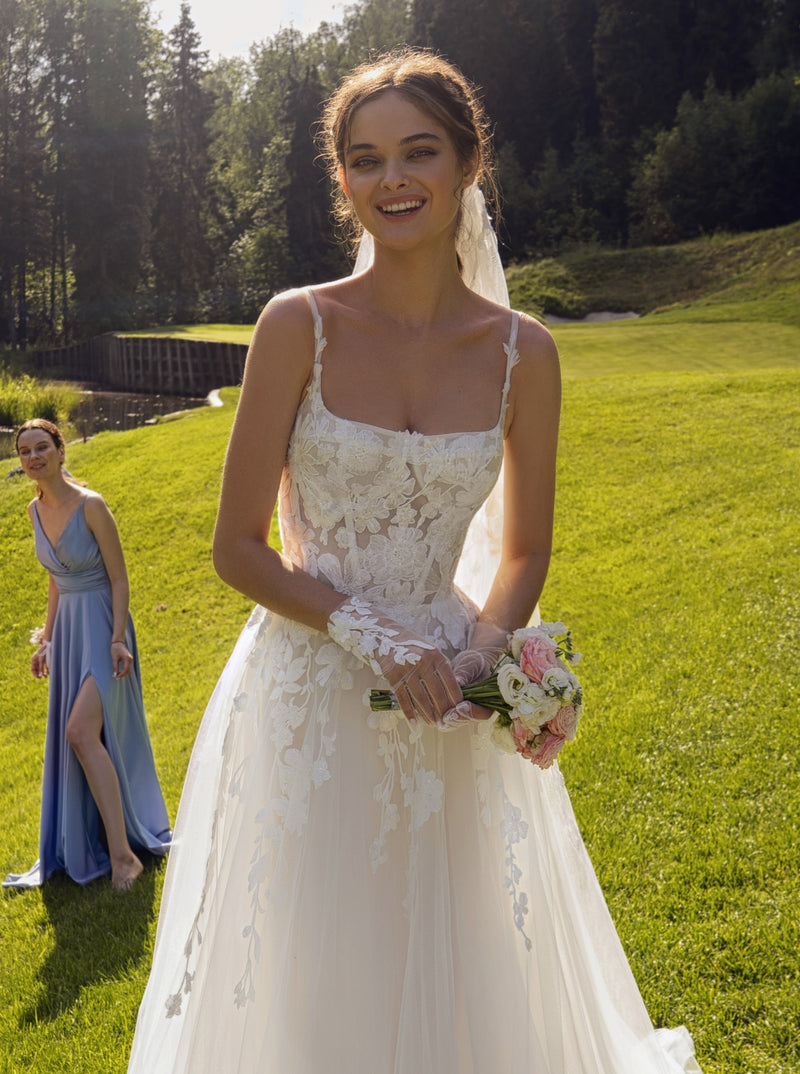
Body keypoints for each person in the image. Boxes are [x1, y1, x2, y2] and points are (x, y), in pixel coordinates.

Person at [127, 49, 701, 1073]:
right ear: (341, 179)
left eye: (417, 152)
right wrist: (370, 634)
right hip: (306, 696)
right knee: (314, 969)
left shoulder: (524, 352)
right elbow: (236, 549)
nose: (391, 179)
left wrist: (485, 651)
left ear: (467, 163)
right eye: (364, 158)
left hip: (450, 700)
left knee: (463, 963)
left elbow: (524, 547)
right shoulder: (294, 326)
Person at [4, 419, 170, 892]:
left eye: (41, 447)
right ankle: (102, 843)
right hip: (70, 632)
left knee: (79, 732)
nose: (33, 457)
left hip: (102, 628)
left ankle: (124, 858)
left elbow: (119, 578)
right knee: (82, 735)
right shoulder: (35, 512)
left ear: (60, 450)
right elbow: (56, 578)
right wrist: (48, 639)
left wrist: (118, 638)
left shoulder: (91, 505)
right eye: (23, 452)